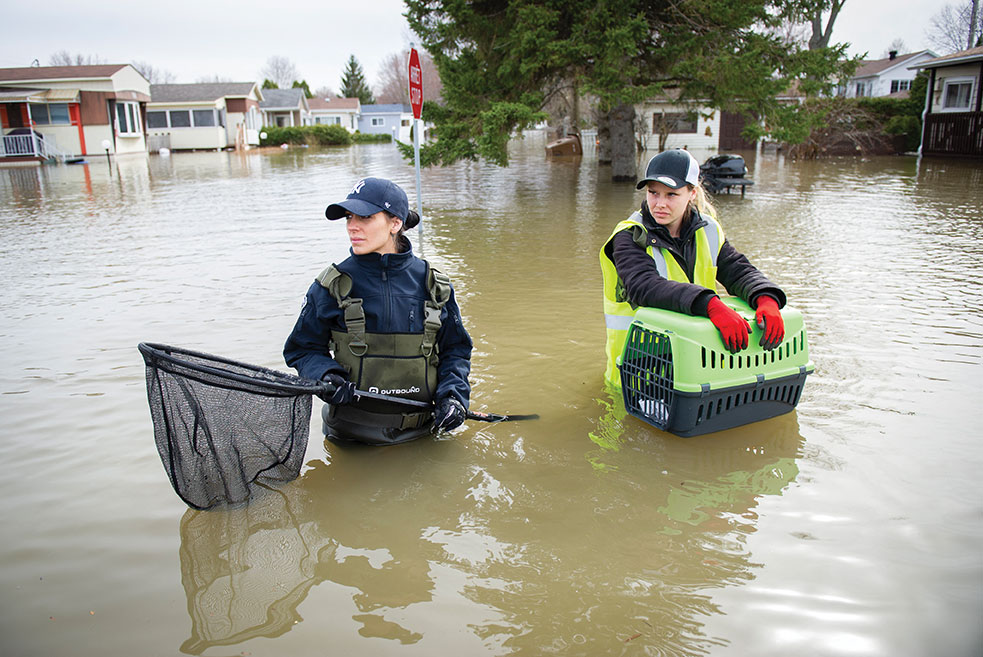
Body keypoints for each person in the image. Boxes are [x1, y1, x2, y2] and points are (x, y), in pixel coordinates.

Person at [284, 177, 473, 444]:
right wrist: (326, 376)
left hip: (422, 436)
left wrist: (454, 397)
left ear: (395, 223)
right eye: (349, 217)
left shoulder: (435, 286)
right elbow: (301, 349)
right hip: (349, 436)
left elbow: (456, 350)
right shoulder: (330, 286)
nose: (352, 227)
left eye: (365, 217)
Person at [599, 149, 786, 386]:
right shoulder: (629, 235)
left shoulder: (708, 230)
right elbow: (642, 286)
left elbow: (738, 270)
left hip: (692, 366)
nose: (659, 204)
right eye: (653, 193)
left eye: (671, 194)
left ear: (692, 193)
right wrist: (710, 304)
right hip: (636, 370)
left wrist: (765, 297)